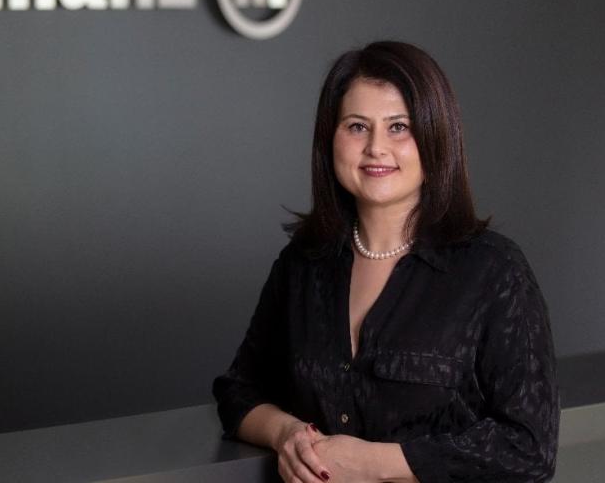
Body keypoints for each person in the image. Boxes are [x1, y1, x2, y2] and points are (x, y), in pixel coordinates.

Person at [211, 41, 560, 483]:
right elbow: (239, 390)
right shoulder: (303, 264)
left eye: (399, 127)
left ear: (435, 138)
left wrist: (370, 463)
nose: (376, 147)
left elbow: (529, 447)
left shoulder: (494, 271)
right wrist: (289, 435)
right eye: (357, 126)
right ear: (330, 138)